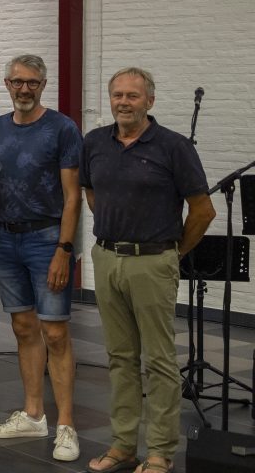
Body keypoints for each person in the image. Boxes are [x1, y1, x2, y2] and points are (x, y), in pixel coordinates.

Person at [81, 68, 214, 473]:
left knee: (158, 360)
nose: (123, 102)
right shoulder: (94, 143)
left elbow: (203, 210)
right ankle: (122, 445)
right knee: (120, 357)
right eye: (117, 95)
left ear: (149, 101)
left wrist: (171, 253)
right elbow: (93, 197)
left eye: (133, 96)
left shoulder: (173, 147)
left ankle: (159, 451)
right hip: (106, 258)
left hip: (154, 260)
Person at [0, 55, 84, 461]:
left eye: (33, 83)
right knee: (24, 328)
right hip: (6, 239)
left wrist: (64, 249)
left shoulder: (62, 128)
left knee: (56, 333)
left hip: (47, 239)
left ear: (43, 85)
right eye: (17, 82)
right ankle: (33, 414)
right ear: (7, 84)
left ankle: (66, 426)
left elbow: (73, 195)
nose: (24, 89)